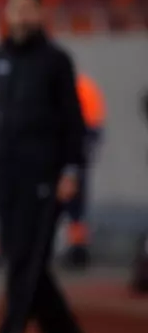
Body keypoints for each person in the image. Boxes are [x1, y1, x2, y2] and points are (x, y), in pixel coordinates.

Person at [0, 0, 95, 333]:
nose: (22, 17)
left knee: (26, 261)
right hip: (6, 176)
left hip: (43, 175)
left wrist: (71, 169)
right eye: (15, 9)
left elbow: (74, 121)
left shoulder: (56, 61)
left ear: (40, 13)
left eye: (28, 9)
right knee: (23, 258)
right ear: (6, 15)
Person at [61, 73, 106, 270]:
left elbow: (93, 126)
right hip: (60, 148)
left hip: (74, 147)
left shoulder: (83, 89)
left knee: (75, 201)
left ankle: (77, 247)